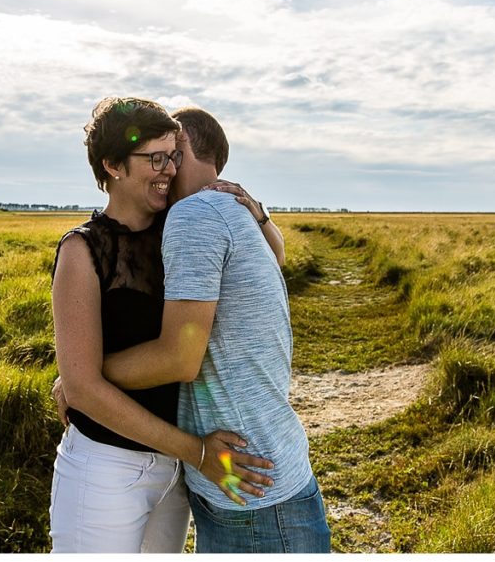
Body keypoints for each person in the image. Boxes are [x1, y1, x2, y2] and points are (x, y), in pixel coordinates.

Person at [49, 96, 278, 553]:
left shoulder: (182, 228)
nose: (170, 169)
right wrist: (196, 451)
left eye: (173, 156)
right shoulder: (82, 252)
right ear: (113, 165)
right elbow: (84, 389)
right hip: (106, 470)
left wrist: (257, 211)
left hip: (174, 475)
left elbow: (273, 262)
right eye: (155, 158)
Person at [101, 106, 332, 553]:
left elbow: (179, 359)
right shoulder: (231, 209)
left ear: (180, 143)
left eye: (165, 153)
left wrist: (85, 379)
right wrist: (262, 214)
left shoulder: (196, 216)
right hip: (250, 478)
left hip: (252, 495)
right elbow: (277, 258)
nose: (161, 166)